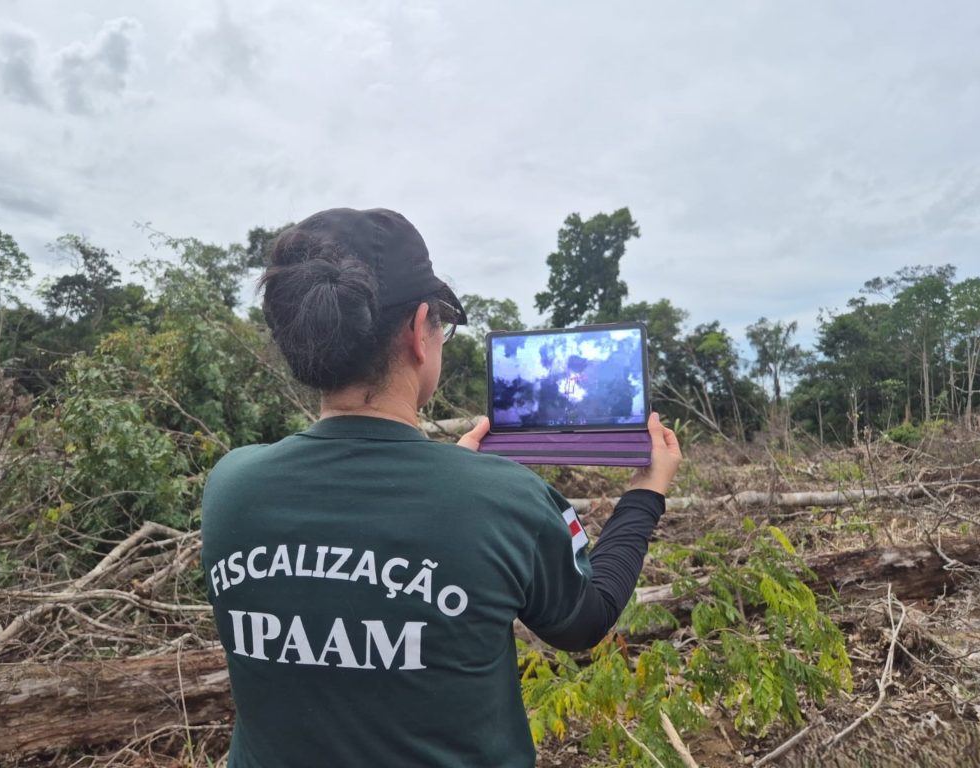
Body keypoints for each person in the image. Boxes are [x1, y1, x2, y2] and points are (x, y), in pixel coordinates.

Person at [201, 208, 682, 768]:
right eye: (442, 326)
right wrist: (645, 493)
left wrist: (457, 477)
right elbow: (585, 621)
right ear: (418, 331)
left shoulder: (231, 485)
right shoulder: (505, 498)